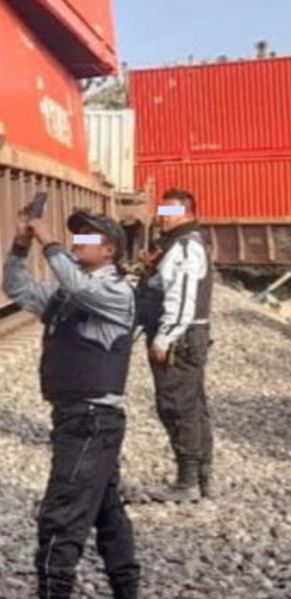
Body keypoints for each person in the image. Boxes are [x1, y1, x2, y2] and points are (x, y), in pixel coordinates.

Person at [2, 208, 141, 598]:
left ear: (110, 250)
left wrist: (48, 239)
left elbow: (82, 290)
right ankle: (126, 587)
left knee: (62, 512)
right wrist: (20, 245)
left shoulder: (115, 292)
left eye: (86, 238)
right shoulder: (67, 292)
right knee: (106, 511)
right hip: (77, 417)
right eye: (74, 237)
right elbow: (18, 289)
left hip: (92, 419)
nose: (78, 242)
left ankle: (54, 589)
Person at [135, 187, 215, 503]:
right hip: (188, 336)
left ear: (186, 213)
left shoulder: (184, 247)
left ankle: (187, 482)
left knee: (176, 406)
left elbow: (181, 297)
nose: (160, 218)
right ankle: (201, 477)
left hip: (180, 338)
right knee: (193, 405)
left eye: (168, 212)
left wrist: (165, 337)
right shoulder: (182, 244)